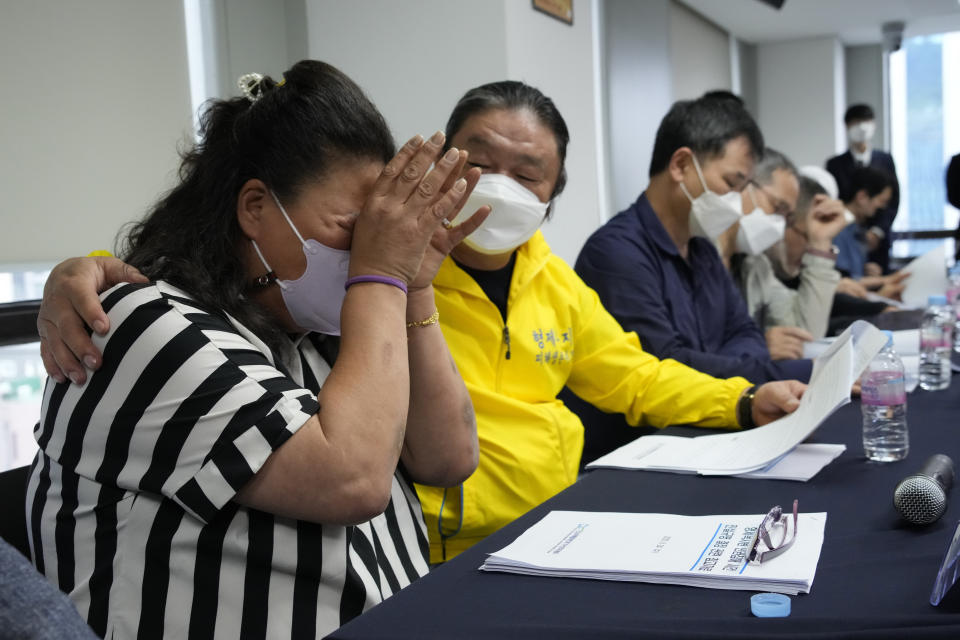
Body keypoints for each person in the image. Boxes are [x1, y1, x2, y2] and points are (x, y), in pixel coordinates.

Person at [37, 80, 807, 566]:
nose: (497, 186)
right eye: (479, 159)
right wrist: (85, 264)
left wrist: (740, 400)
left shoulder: (532, 278)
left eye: (526, 173)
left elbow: (460, 446)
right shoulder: (317, 300)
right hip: (449, 555)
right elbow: (177, 288)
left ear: (554, 191)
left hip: (549, 527)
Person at [28, 60, 485, 638]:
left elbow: (449, 458)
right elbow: (353, 479)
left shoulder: (309, 326)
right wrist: (383, 273)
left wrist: (414, 284)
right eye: (353, 227)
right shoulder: (142, 327)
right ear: (255, 208)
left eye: (382, 228)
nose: (368, 247)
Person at [575, 94, 812, 384]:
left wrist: (721, 364)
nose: (737, 201)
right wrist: (804, 372)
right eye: (730, 183)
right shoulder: (616, 253)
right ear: (681, 165)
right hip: (649, 429)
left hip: (714, 415)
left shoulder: (703, 250)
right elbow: (667, 368)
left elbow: (746, 333)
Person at [717, 150, 845, 354]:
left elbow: (804, 335)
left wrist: (820, 246)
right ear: (741, 187)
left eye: (787, 217)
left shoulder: (756, 265)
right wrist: (756, 348)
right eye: (778, 208)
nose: (779, 227)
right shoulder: (698, 255)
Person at [826, 104, 900, 273]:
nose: (861, 127)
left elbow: (892, 201)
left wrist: (878, 231)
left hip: (878, 242)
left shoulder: (886, 160)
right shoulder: (835, 164)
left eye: (865, 121)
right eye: (855, 122)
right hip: (848, 229)